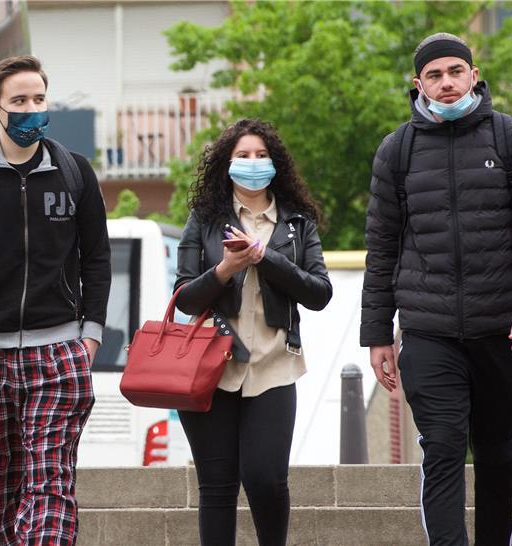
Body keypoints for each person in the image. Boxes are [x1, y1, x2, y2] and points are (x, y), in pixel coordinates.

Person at [361, 32, 512, 545]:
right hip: (429, 332)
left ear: (473, 76)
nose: (447, 82)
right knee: (444, 446)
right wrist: (376, 335)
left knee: (500, 456)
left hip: (505, 331)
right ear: (418, 85)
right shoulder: (398, 151)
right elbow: (382, 246)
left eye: (456, 71)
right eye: (434, 75)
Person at [0, 55, 110, 545]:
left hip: (59, 351)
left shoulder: (74, 173)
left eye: (39, 99)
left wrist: (89, 336)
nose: (32, 110)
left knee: (49, 479)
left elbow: (96, 258)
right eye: (19, 102)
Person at [174, 119, 332, 546]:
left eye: (261, 155)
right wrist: (224, 270)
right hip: (211, 368)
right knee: (217, 485)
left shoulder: (297, 224)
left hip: (274, 365)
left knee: (265, 478)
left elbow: (320, 294)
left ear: (275, 163)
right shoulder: (204, 220)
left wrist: (265, 258)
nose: (252, 163)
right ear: (226, 165)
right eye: (242, 155)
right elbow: (184, 298)